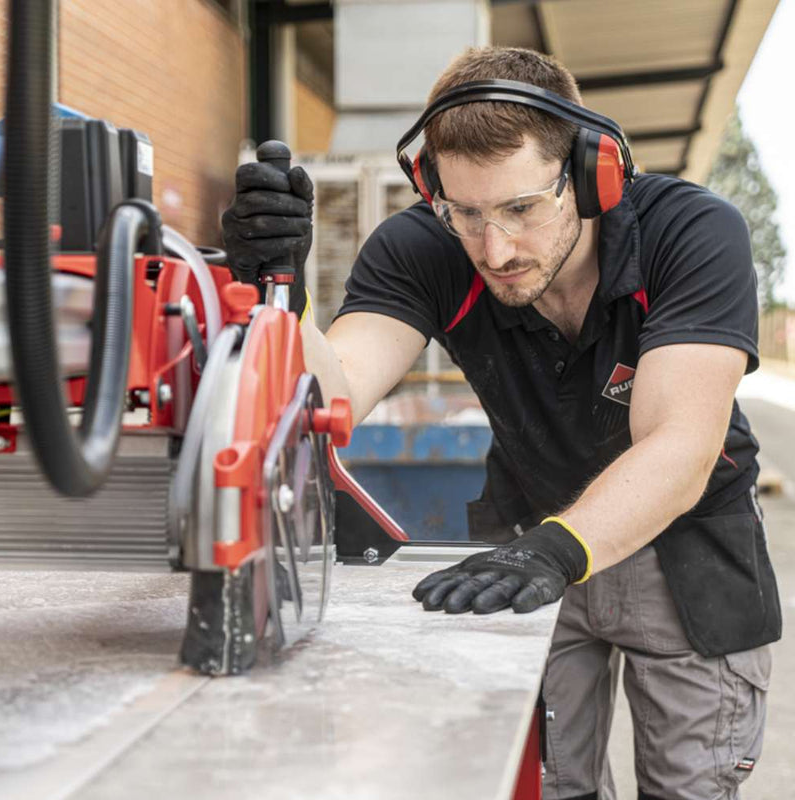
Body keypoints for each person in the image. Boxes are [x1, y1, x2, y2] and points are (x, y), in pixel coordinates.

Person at [221, 46, 781, 800]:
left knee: (691, 787)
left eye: (521, 208)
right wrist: (275, 292)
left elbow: (679, 446)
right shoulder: (426, 247)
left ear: (592, 174)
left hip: (682, 551)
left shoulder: (690, 235)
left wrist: (555, 552)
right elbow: (335, 394)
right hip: (525, 537)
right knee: (541, 785)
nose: (496, 249)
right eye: (466, 213)